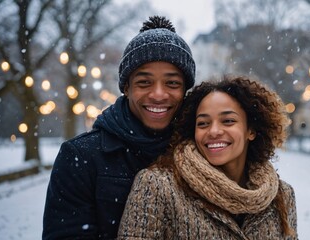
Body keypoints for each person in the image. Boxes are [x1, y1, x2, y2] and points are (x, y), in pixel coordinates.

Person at [42, 15, 196, 239]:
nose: (159, 94)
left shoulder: (201, 150)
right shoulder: (81, 156)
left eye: (172, 83)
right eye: (144, 82)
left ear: (185, 90)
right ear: (126, 87)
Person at [118, 75, 298, 239]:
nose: (214, 131)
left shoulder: (281, 195)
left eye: (228, 121)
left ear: (251, 130)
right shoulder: (156, 186)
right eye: (203, 123)